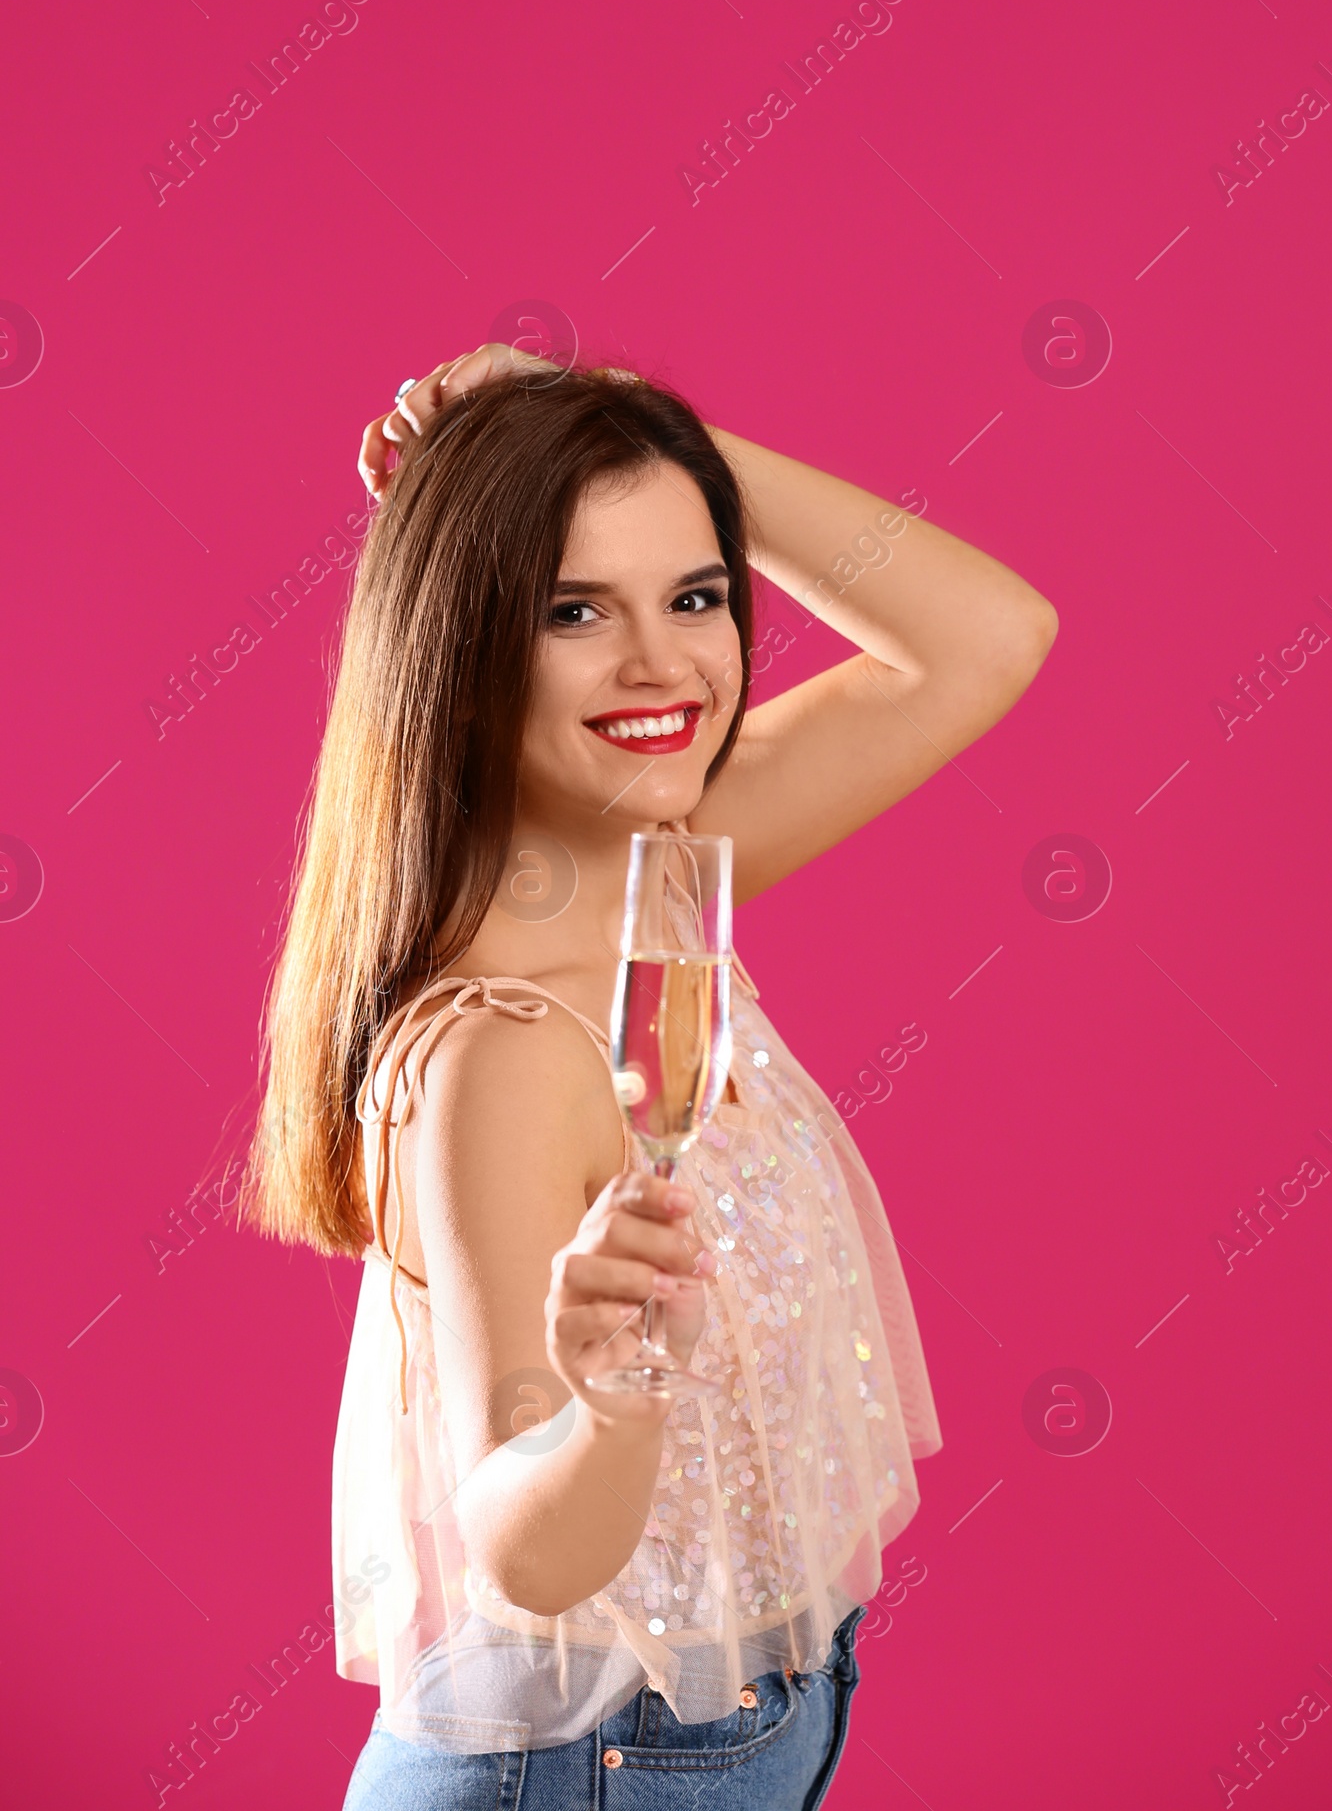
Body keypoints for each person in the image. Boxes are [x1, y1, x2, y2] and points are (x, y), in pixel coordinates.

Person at [245, 342, 1056, 1807]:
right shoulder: (501, 1049)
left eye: (694, 595)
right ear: (461, 650)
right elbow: (527, 1544)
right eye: (575, 612)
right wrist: (613, 1405)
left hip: (715, 1740)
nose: (664, 665)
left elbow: (985, 636)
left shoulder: (657, 876)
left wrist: (636, 431)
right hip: (588, 1773)